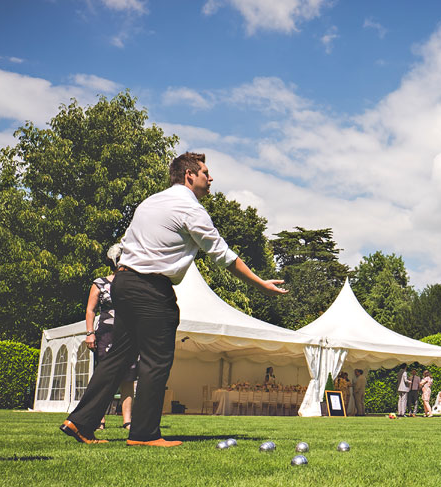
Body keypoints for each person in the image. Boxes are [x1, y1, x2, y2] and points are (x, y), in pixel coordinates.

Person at [60, 152, 288, 446]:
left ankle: (79, 422)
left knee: (118, 356)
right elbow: (224, 256)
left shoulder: (151, 201)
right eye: (206, 172)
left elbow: (125, 244)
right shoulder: (190, 209)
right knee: (157, 360)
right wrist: (261, 285)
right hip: (151, 287)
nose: (211, 178)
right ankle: (144, 434)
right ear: (189, 175)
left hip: (124, 282)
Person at [85, 244, 137, 430]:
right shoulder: (100, 283)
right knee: (104, 377)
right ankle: (99, 419)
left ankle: (127, 421)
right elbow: (90, 310)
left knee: (128, 379)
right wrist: (90, 333)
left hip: (129, 335)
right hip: (105, 335)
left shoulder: (134, 284)